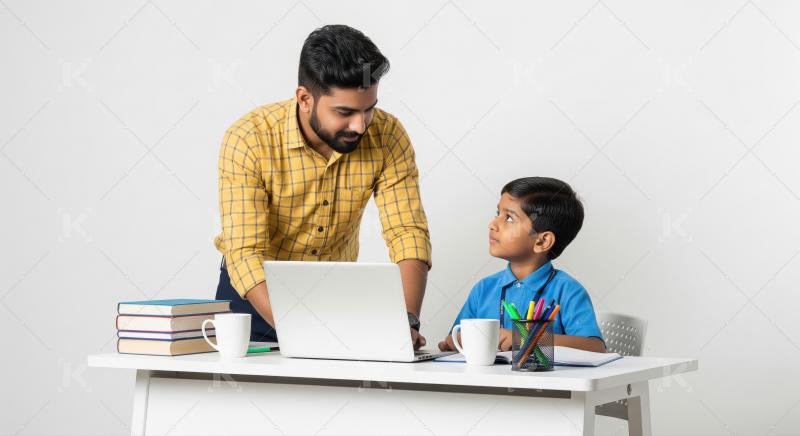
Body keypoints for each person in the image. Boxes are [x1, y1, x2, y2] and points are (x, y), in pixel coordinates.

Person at [214, 25, 432, 347]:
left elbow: (407, 232)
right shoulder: (249, 138)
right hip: (253, 298)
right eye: (344, 112)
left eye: (368, 109)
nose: (360, 125)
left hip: (335, 298)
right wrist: (301, 332)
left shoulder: (388, 135)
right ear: (304, 98)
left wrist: (406, 321)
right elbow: (245, 253)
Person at [438, 177, 605, 353]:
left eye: (509, 218)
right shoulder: (483, 289)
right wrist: (455, 341)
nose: (493, 224)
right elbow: (452, 338)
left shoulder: (567, 290)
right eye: (498, 214)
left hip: (545, 381)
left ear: (542, 241)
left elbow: (595, 347)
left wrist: (526, 338)